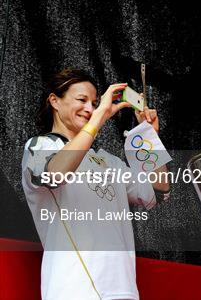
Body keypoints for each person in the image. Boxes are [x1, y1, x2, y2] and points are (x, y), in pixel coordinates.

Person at [21, 68, 170, 300]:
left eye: (94, 103)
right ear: (54, 101)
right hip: (74, 289)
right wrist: (100, 118)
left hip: (124, 289)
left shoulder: (108, 161)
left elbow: (157, 191)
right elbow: (56, 173)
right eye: (82, 100)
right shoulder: (39, 146)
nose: (90, 109)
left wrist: (148, 138)